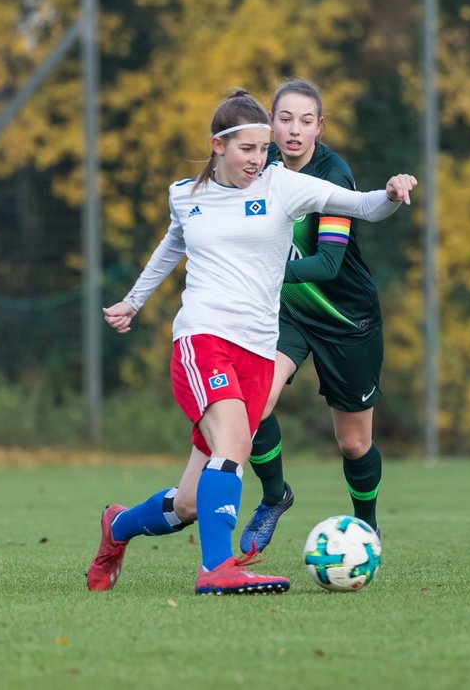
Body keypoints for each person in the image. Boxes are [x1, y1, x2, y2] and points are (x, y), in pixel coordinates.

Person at [86, 89, 417, 595]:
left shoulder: (284, 185)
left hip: (258, 350)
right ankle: (217, 568)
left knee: (192, 503)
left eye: (264, 149)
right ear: (218, 146)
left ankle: (118, 527)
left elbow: (365, 207)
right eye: (247, 149)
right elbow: (170, 246)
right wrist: (134, 301)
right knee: (237, 444)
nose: (258, 159)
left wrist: (391, 193)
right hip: (203, 338)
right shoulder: (185, 194)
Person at [238, 79, 387, 553]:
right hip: (290, 317)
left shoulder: (333, 173)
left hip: (348, 320)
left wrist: (263, 270)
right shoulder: (259, 166)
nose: (294, 131)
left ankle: (366, 528)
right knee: (253, 404)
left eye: (306, 121)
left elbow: (328, 264)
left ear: (319, 127)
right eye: (285, 120)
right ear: (271, 125)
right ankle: (274, 495)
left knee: (353, 445)